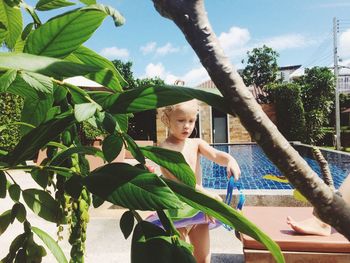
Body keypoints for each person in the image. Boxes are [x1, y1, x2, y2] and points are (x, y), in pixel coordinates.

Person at [158, 99, 241, 263]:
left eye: (191, 120)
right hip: (176, 209)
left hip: (198, 208)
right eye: (181, 120)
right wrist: (208, 197)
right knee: (181, 257)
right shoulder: (164, 149)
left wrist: (230, 160)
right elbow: (182, 184)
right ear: (167, 120)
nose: (187, 126)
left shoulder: (196, 143)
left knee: (203, 258)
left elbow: (217, 155)